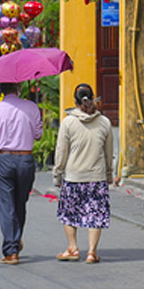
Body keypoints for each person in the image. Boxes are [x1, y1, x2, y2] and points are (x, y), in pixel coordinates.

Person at [0, 82, 42, 265]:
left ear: (1, 90)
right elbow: (38, 134)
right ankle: (16, 239)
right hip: (25, 159)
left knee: (7, 206)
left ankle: (11, 250)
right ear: (18, 87)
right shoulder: (31, 107)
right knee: (20, 203)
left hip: (3, 159)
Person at [53, 83, 113, 264]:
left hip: (73, 177)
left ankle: (73, 248)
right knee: (95, 214)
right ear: (93, 99)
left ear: (75, 101)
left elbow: (61, 152)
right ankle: (92, 252)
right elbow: (109, 152)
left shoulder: (68, 122)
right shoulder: (104, 122)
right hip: (97, 177)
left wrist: (57, 174)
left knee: (69, 213)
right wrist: (109, 174)